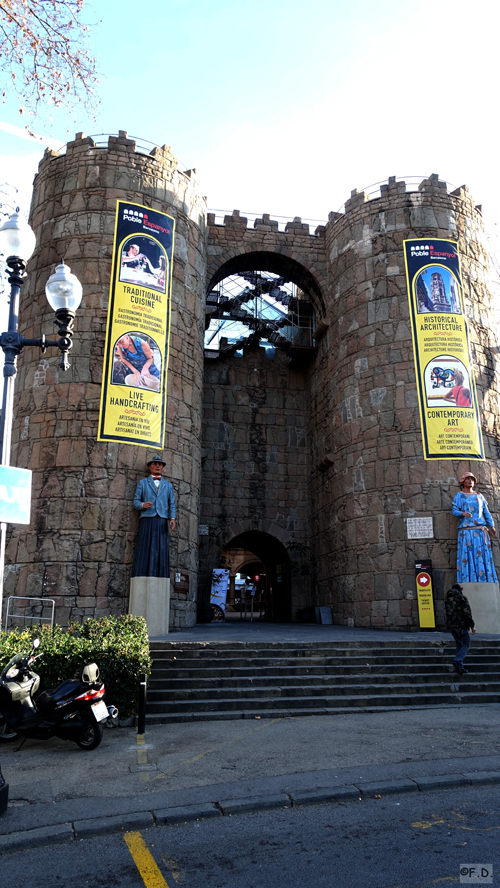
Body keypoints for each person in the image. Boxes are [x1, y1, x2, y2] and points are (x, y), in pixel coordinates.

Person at [132, 459, 176, 580]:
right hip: (147, 518)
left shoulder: (168, 485)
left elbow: (171, 503)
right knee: (145, 546)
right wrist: (142, 505)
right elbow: (135, 502)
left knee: (161, 548)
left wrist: (172, 518)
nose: (157, 466)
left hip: (162, 519)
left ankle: (160, 575)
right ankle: (142, 574)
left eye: (159, 465)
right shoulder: (143, 483)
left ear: (162, 468)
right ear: (150, 467)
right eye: (154, 464)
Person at [451, 472, 498, 582]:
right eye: (467, 479)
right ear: (463, 481)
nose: (470, 481)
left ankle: (485, 583)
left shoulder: (479, 495)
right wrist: (462, 513)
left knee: (482, 558)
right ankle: (469, 584)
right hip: (466, 532)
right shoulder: (459, 495)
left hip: (480, 533)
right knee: (467, 558)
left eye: (472, 479)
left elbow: (486, 512)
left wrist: (491, 526)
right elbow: (454, 511)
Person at [445, 583, 475, 674]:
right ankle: (458, 660)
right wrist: (471, 625)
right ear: (459, 590)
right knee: (466, 643)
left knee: (459, 644)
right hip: (461, 625)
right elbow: (467, 613)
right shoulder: (462, 598)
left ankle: (460, 667)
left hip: (451, 625)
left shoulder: (447, 599)